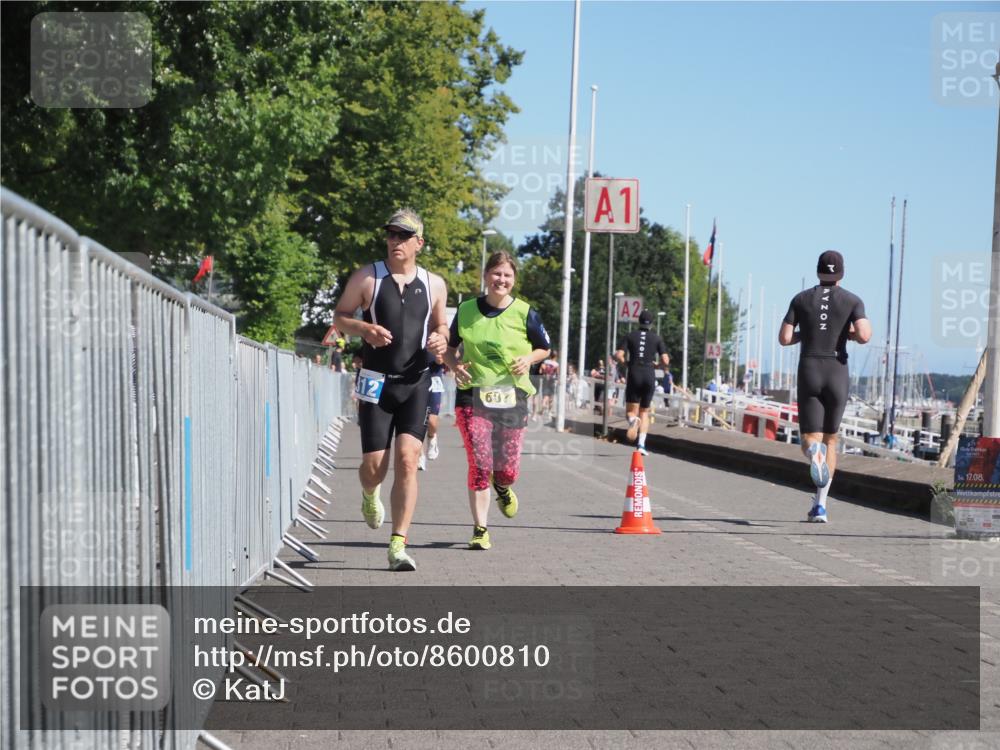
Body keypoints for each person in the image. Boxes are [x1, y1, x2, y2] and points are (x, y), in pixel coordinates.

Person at [333, 208, 449, 571]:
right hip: (375, 383)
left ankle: (398, 544)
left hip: (416, 383)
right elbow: (339, 317)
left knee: (408, 462)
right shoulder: (368, 277)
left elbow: (443, 326)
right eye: (391, 235)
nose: (394, 241)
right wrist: (364, 330)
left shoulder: (435, 284)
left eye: (403, 236)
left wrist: (441, 339)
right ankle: (370, 493)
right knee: (375, 467)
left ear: (419, 243)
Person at [445, 250, 551, 551]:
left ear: (513, 280)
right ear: (486, 276)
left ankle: (503, 487)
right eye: (496, 273)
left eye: (507, 275)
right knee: (480, 463)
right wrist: (455, 365)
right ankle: (480, 528)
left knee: (507, 469)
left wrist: (528, 359)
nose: (501, 279)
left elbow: (545, 347)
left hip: (512, 397)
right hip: (472, 396)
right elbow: (450, 349)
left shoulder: (525, 313)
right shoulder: (466, 311)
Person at [779, 250, 871, 523]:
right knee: (831, 439)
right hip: (836, 370)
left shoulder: (800, 299)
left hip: (809, 368)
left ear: (818, 271)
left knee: (811, 438)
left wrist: (804, 334)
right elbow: (864, 335)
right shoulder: (853, 300)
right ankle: (820, 506)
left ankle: (812, 452)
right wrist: (848, 334)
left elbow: (784, 338)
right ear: (841, 273)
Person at [615, 309, 670, 455]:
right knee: (644, 411)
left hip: (634, 374)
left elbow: (618, 354)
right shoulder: (657, 338)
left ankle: (633, 420)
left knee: (631, 412)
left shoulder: (630, 335)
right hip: (649, 375)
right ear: (651, 324)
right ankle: (641, 445)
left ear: (638, 321)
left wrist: (626, 363)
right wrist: (658, 366)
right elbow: (665, 360)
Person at [418, 354, 445, 471]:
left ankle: (431, 437)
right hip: (416, 380)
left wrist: (441, 359)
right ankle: (420, 457)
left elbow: (450, 353)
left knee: (431, 421)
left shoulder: (437, 336)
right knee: (417, 423)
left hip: (434, 379)